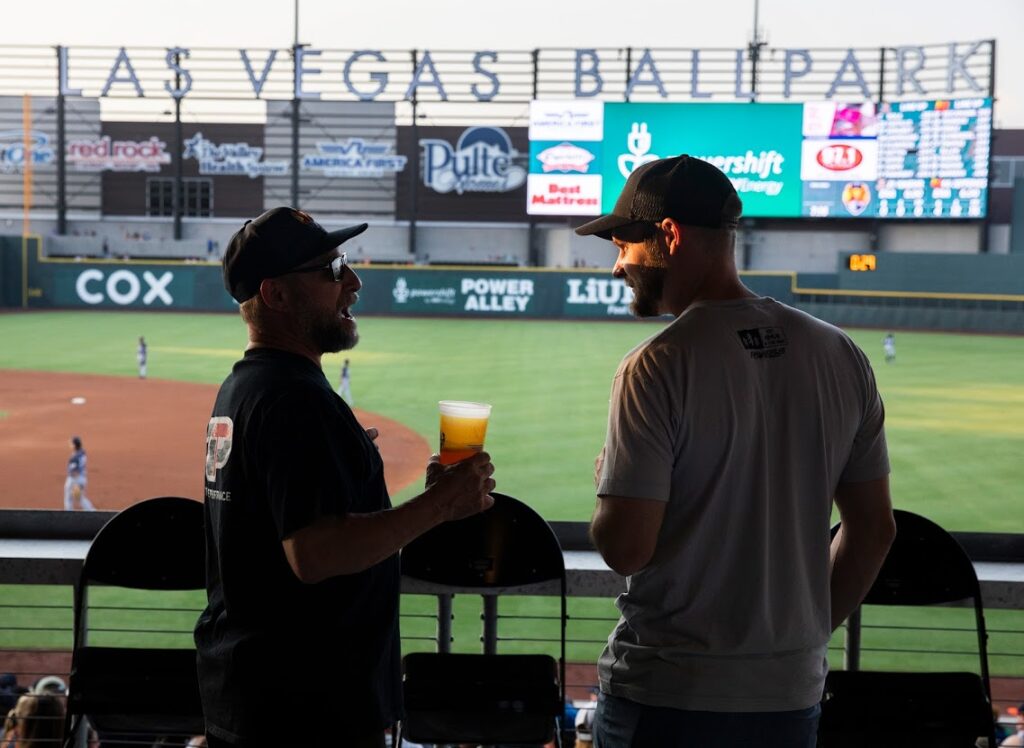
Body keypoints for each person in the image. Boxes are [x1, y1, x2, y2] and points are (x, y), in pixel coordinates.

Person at [574, 155, 896, 748]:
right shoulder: (841, 354)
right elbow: (874, 530)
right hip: (790, 694)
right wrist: (800, 637)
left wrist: (608, 486)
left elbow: (624, 547)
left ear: (668, 235)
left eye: (624, 245)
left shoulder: (657, 364)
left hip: (669, 694)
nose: (618, 264)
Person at [194, 207, 496, 748]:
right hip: (304, 711)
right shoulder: (294, 400)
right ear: (276, 294)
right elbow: (315, 554)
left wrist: (347, 468)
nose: (352, 282)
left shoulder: (243, 388)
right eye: (330, 271)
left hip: (255, 696)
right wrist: (441, 506)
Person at [63, 436, 95, 511]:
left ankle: (68, 514)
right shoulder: (82, 452)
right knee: (80, 498)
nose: (70, 445)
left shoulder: (75, 457)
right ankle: (92, 511)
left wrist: (75, 484)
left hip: (75, 479)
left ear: (74, 445)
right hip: (83, 478)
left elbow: (74, 471)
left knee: (68, 498)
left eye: (71, 443)